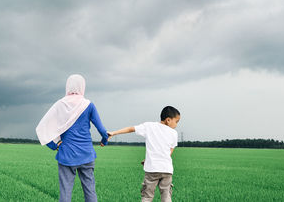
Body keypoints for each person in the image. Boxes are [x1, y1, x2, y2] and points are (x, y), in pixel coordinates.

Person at [36, 74, 109, 202]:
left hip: (66, 155)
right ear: (82, 86)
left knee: (65, 193)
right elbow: (102, 130)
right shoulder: (88, 105)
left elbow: (42, 127)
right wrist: (104, 140)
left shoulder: (60, 104)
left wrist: (54, 145)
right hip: (87, 154)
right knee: (90, 191)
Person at [108, 106, 181, 202]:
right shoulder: (174, 133)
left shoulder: (149, 126)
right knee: (166, 197)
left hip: (152, 169)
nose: (176, 125)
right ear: (168, 120)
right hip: (166, 170)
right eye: (176, 122)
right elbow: (168, 152)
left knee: (147, 196)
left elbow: (131, 129)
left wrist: (114, 133)